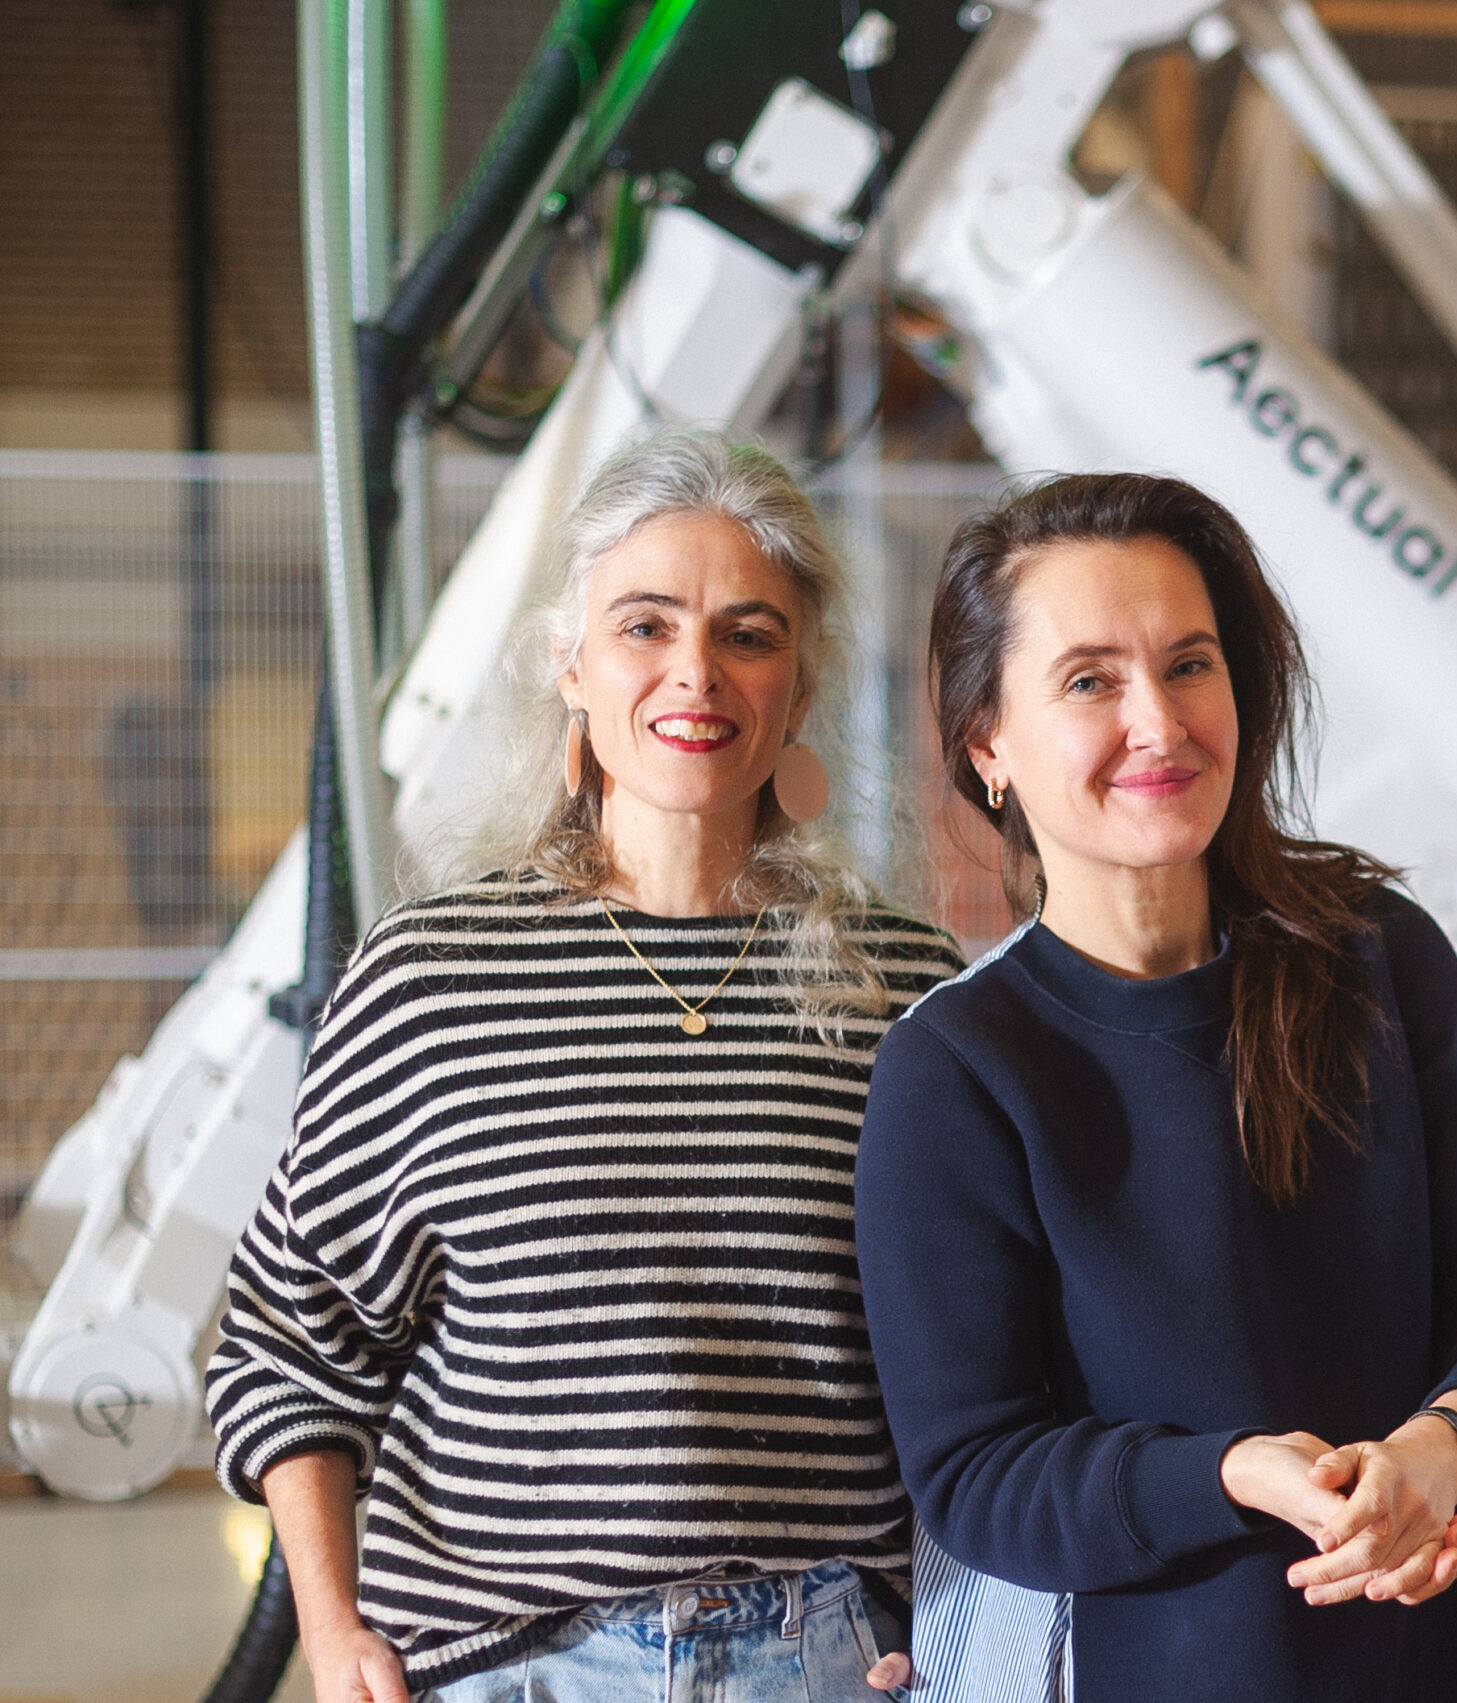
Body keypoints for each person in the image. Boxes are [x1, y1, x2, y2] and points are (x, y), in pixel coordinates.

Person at [205, 431, 962, 1703]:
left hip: (829, 1660)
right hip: (505, 1663)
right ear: (571, 663)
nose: (695, 671)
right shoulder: (433, 976)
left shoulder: (909, 989)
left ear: (800, 684)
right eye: (644, 625)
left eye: (748, 633)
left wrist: (950, 1624)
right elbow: (291, 1338)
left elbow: (980, 1363)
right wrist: (333, 1635)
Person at [853, 472, 1457, 1702]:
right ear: (987, 742)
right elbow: (977, 1473)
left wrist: (1444, 1452)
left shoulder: (1378, 957)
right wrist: (1230, 1473)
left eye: (1189, 664)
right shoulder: (958, 1065)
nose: (1158, 721)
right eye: (1089, 680)